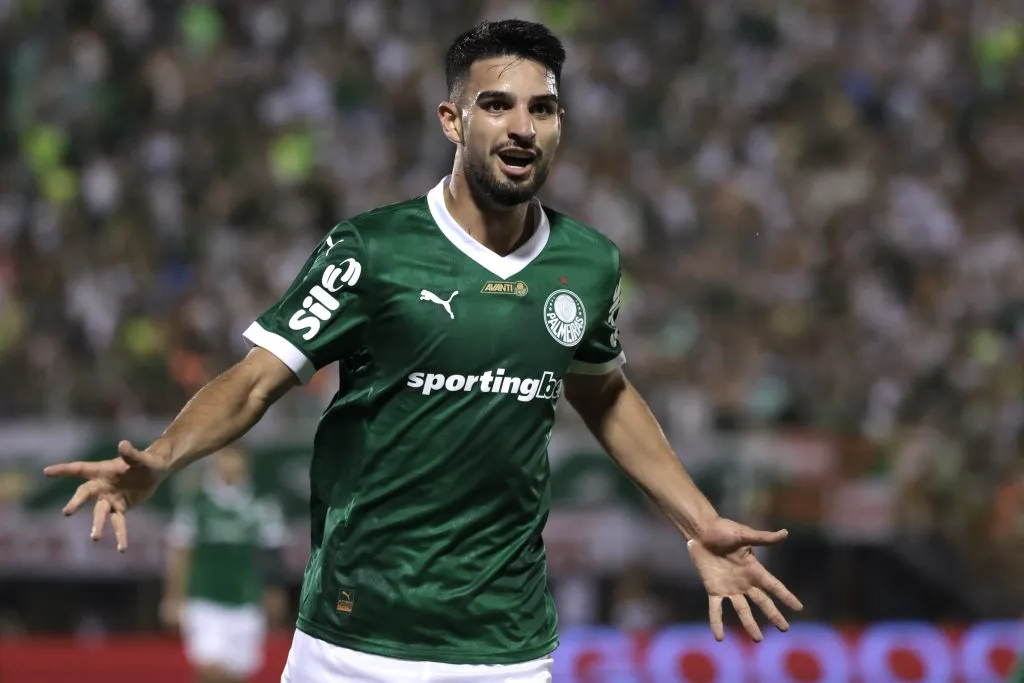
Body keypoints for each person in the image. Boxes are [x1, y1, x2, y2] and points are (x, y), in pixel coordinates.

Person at [44, 19, 803, 683]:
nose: (520, 127)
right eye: (496, 104)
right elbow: (253, 383)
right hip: (351, 639)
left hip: (505, 647)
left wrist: (698, 521)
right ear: (452, 119)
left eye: (541, 108)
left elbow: (603, 391)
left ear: (560, 124)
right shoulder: (372, 250)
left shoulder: (589, 264)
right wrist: (163, 455)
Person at [160, 445, 289, 683]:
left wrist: (274, 593)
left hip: (246, 601)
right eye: (225, 458)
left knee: (237, 674)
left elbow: (273, 553)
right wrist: (173, 596)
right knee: (209, 670)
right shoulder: (196, 502)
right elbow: (179, 552)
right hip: (205, 598)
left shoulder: (261, 504)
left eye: (236, 458)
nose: (230, 464)